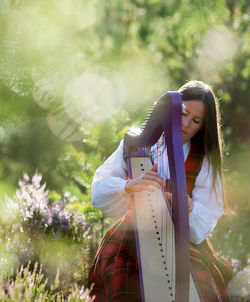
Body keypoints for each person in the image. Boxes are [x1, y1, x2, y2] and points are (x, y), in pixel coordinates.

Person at [88, 81, 232, 301]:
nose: (185, 124)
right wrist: (129, 186)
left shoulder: (203, 160)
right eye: (183, 113)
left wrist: (187, 209)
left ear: (203, 126)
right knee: (122, 286)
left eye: (195, 121)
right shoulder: (137, 145)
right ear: (170, 110)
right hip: (131, 237)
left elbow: (205, 219)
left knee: (203, 287)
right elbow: (99, 192)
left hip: (183, 242)